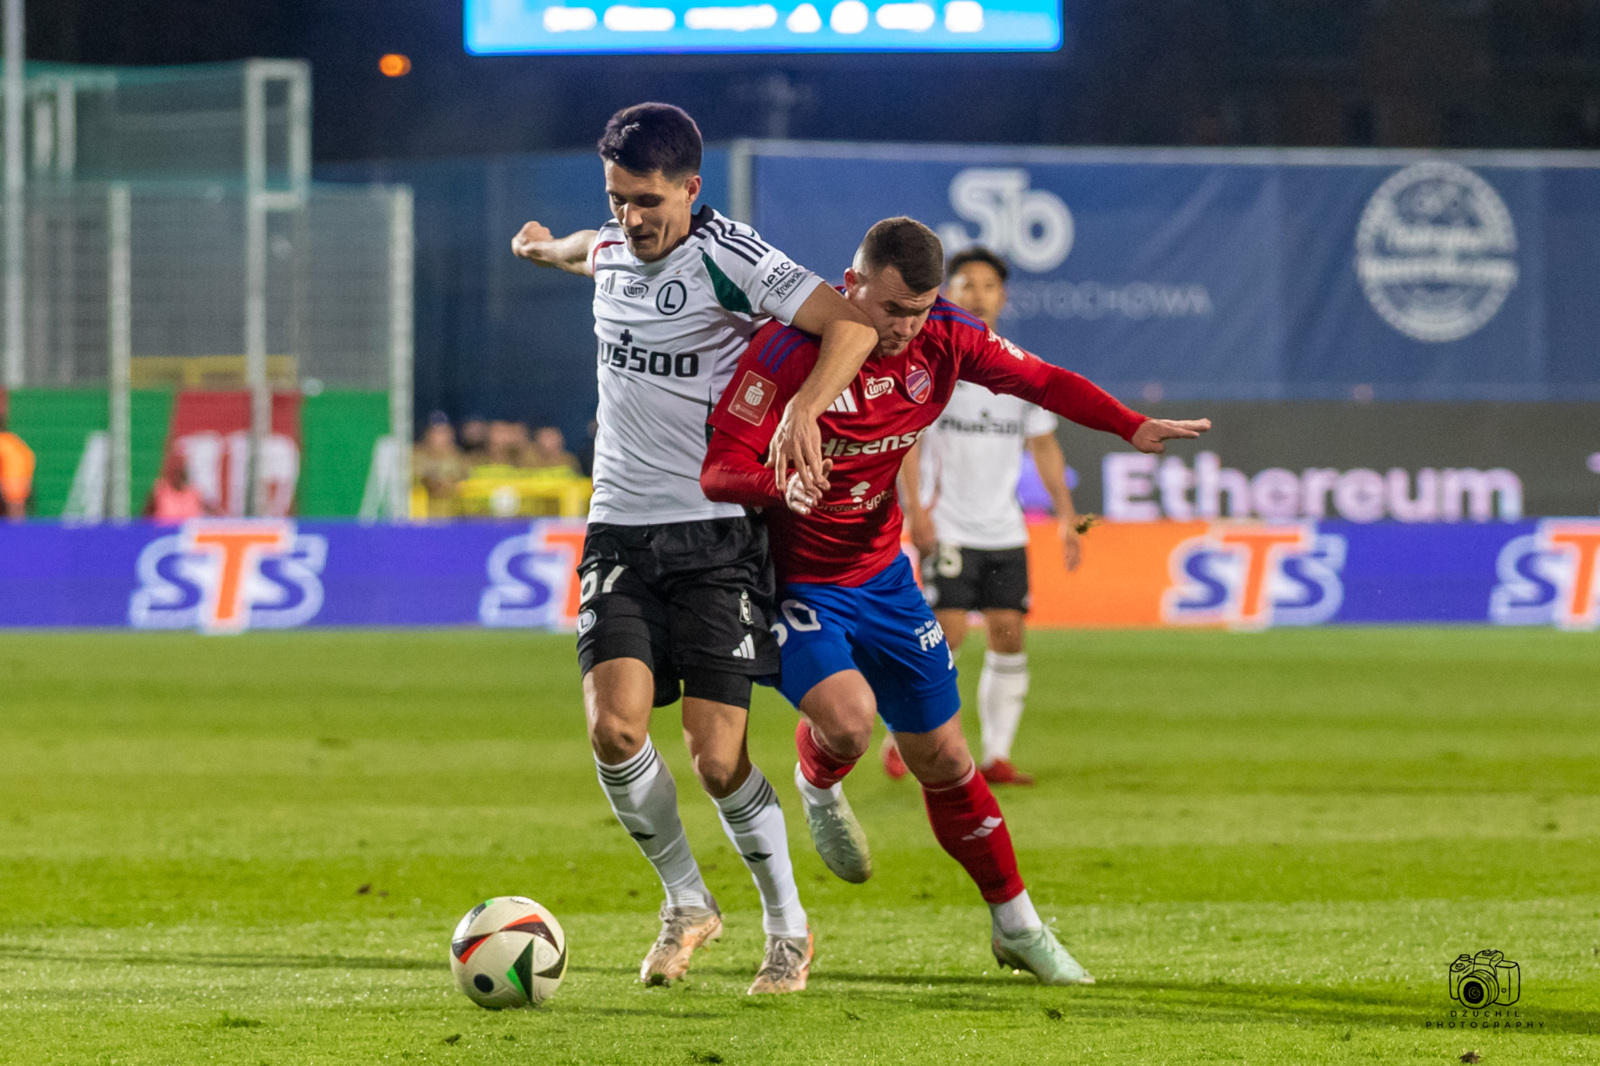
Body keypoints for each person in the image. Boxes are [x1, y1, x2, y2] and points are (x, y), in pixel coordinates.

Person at [699, 217, 1208, 984]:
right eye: (894, 310)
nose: (907, 329)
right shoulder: (784, 351)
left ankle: (1018, 928)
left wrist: (1128, 423)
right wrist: (778, 484)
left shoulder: (946, 334)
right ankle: (818, 778)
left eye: (920, 310)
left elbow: (1042, 381)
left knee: (944, 756)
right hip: (791, 583)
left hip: (884, 577)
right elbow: (718, 470)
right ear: (853, 284)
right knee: (848, 722)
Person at [510, 102, 878, 994]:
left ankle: (787, 925)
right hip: (618, 532)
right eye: (617, 200)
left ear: (689, 188)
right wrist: (535, 246)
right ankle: (686, 900)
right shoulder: (605, 249)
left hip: (715, 539)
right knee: (614, 728)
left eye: (647, 201)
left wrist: (803, 409)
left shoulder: (731, 256)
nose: (632, 219)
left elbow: (853, 328)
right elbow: (575, 250)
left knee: (719, 760)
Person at [891, 246, 1082, 786]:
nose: (978, 294)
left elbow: (1043, 447)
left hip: (1004, 527)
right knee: (944, 636)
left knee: (1008, 634)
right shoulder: (933, 363)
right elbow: (909, 442)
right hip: (947, 523)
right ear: (947, 293)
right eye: (967, 284)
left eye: (989, 286)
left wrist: (1066, 515)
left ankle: (995, 755)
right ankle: (903, 733)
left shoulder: (1021, 369)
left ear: (1003, 296)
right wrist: (914, 510)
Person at [413, 412, 472, 513]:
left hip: (452, 515)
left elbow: (467, 484)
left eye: (445, 432)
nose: (442, 437)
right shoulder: (416, 455)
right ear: (427, 434)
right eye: (437, 432)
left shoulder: (460, 458)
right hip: (423, 516)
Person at [144, 452, 210, 523]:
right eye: (173, 469)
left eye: (179, 469)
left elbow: (214, 515)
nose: (176, 473)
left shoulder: (194, 493)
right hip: (166, 533)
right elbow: (145, 520)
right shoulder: (159, 492)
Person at [0, 405, 33, 522]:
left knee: (15, 512)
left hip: (12, 489)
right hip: (16, 489)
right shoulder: (14, 443)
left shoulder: (8, 444)